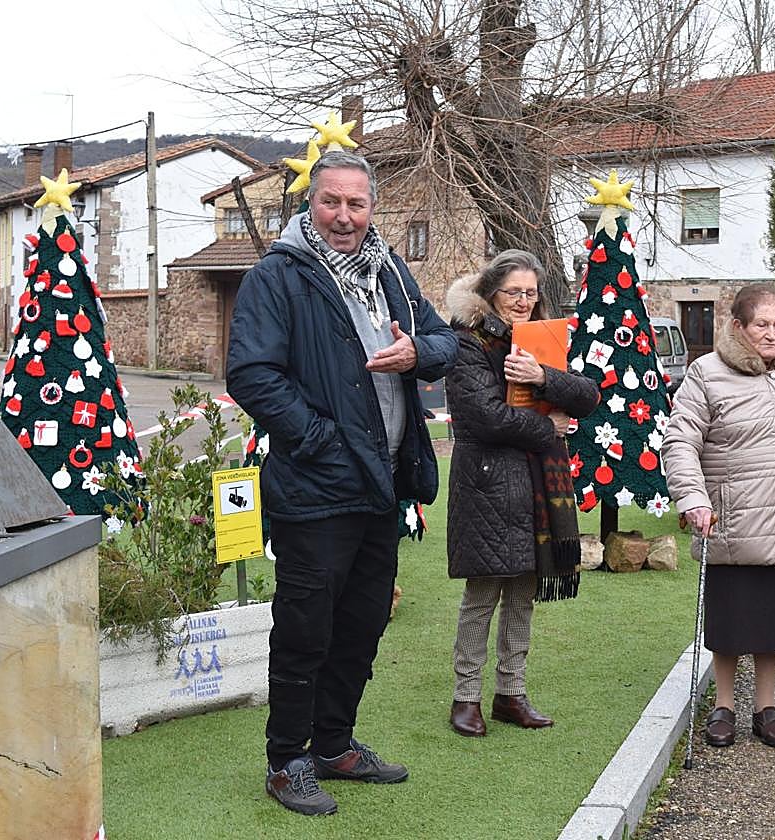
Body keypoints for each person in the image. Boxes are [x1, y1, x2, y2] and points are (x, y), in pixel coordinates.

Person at [227, 150, 458, 816]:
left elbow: (444, 340)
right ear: (311, 203)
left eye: (356, 204)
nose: (344, 216)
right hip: (316, 487)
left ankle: (333, 745)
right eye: (332, 202)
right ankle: (285, 762)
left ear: (372, 208)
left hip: (381, 485)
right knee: (306, 629)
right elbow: (252, 374)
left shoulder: (389, 270)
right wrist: (321, 440)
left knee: (360, 625)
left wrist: (418, 353)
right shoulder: (279, 276)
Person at [444, 249, 600, 738]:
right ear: (491, 292)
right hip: (488, 483)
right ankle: (464, 698)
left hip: (534, 486)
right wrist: (546, 426)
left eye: (531, 293)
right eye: (514, 292)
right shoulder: (467, 341)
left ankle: (511, 693)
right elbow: (482, 417)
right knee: (483, 594)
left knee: (523, 595)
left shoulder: (542, 340)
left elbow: (588, 395)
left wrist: (542, 377)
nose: (524, 301)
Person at [662, 284, 775, 749]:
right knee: (730, 623)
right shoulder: (707, 373)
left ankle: (766, 708)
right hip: (730, 520)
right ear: (738, 326)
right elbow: (680, 441)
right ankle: (724, 706)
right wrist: (693, 498)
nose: (772, 334)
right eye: (761, 325)